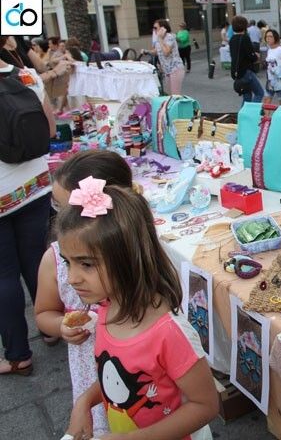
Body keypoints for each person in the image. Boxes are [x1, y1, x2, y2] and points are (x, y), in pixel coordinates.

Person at [60, 184, 219, 439]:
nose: (71, 278)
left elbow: (206, 406)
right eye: (67, 262)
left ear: (127, 258)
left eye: (86, 264)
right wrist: (84, 402)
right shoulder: (107, 308)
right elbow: (118, 376)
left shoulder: (169, 333)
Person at [34, 150, 135, 436]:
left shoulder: (134, 254)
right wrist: (61, 326)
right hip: (90, 369)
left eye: (69, 210)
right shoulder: (54, 260)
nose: (60, 219)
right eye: (56, 207)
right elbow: (43, 313)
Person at [0, 39, 57, 375]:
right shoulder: (26, 76)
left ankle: (18, 355)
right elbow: (50, 129)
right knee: (35, 259)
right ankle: (51, 328)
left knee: (4, 275)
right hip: (34, 187)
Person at [230, 15, 264, 104]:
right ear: (244, 26)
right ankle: (251, 111)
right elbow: (251, 56)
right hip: (246, 71)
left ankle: (244, 112)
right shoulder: (245, 38)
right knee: (259, 93)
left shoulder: (232, 39)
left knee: (247, 97)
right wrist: (256, 56)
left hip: (237, 72)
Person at [150, 19, 185, 95]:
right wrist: (146, 51)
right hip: (167, 71)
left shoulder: (170, 37)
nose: (154, 30)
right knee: (169, 95)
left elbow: (166, 52)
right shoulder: (158, 38)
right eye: (153, 28)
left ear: (163, 28)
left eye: (155, 28)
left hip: (175, 69)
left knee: (175, 96)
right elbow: (157, 51)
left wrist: (160, 39)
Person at [263, 29, 281, 105]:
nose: (268, 38)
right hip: (270, 80)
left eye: (270, 36)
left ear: (275, 38)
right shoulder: (269, 50)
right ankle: (265, 113)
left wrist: (278, 69)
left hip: (279, 80)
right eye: (266, 37)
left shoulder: (280, 50)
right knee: (266, 100)